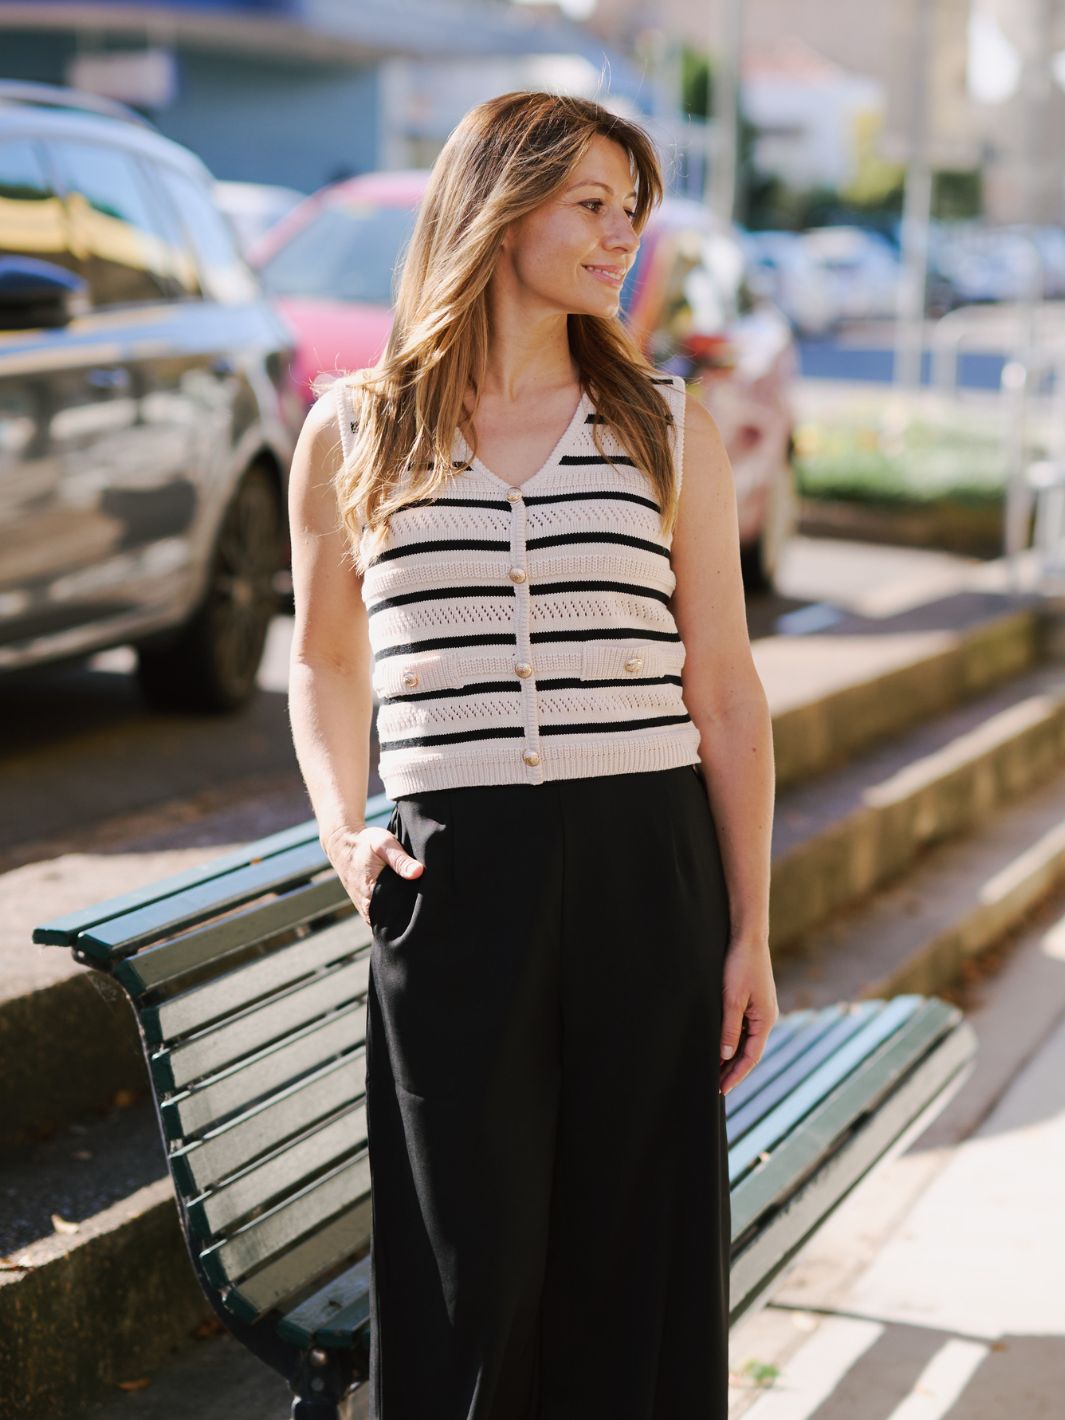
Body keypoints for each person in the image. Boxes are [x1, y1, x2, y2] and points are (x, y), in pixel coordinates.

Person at [287, 89, 778, 1420]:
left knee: (635, 1250)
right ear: (500, 208)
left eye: (633, 211)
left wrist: (749, 931)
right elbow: (324, 663)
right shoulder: (355, 429)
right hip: (454, 877)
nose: (624, 237)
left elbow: (726, 692)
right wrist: (344, 828)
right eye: (593, 205)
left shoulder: (663, 425)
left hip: (644, 863)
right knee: (465, 1258)